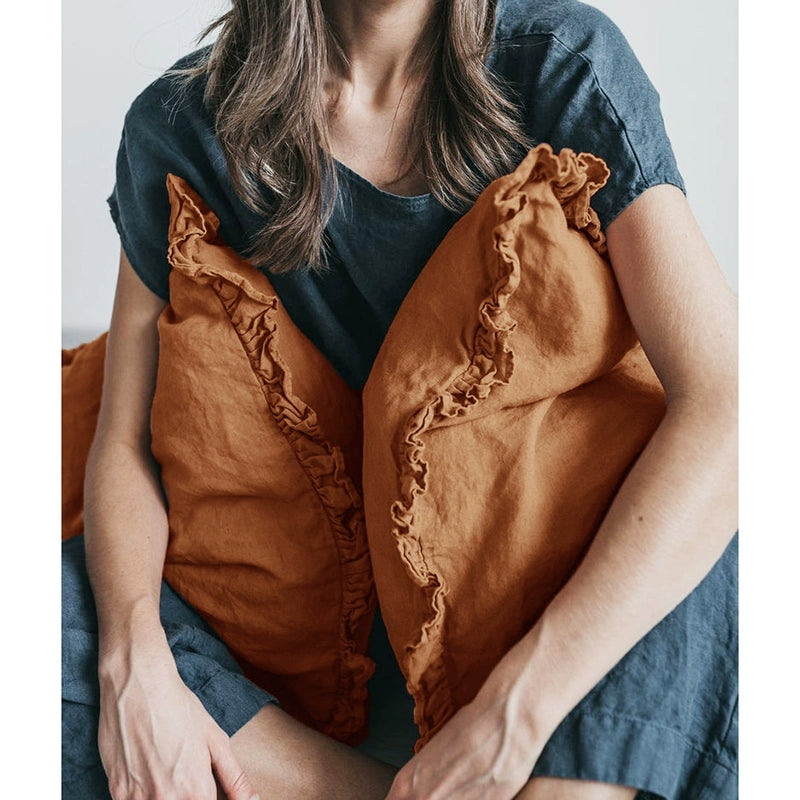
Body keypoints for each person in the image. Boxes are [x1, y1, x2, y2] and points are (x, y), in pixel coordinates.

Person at [61, 1, 738, 798]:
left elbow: (728, 404)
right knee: (54, 614)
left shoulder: (563, 63)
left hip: (538, 592)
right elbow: (125, 442)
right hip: (303, 641)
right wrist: (133, 660)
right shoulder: (180, 126)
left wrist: (516, 712)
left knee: (702, 528)